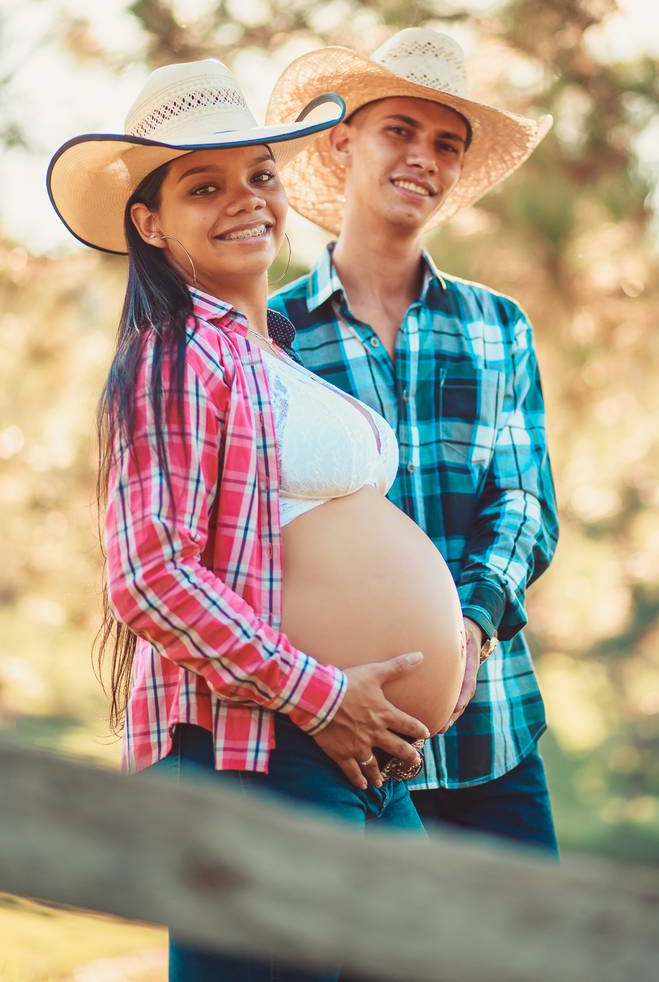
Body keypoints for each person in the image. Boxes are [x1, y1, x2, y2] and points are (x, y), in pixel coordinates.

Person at [46, 58, 464, 982]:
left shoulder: (261, 353)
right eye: (205, 185)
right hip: (255, 749)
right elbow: (150, 574)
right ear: (149, 223)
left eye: (260, 176)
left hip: (342, 752)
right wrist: (321, 691)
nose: (246, 201)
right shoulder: (173, 358)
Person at [268, 28, 560, 855]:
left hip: (491, 738)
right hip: (340, 749)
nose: (423, 158)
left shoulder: (500, 327)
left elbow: (525, 503)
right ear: (342, 141)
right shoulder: (273, 334)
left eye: (446, 144)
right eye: (400, 129)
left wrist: (466, 625)